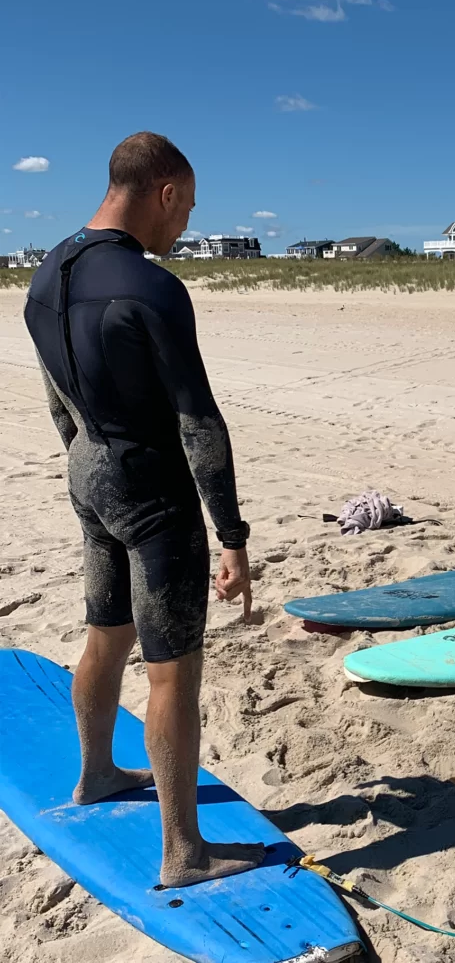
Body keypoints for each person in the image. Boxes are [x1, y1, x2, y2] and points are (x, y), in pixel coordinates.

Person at [23, 132, 263, 888]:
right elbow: (199, 422)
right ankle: (184, 852)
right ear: (162, 193)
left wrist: (86, 457)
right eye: (185, 208)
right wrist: (231, 535)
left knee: (105, 632)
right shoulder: (153, 288)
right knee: (172, 670)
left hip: (88, 470)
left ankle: (96, 774)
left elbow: (56, 397)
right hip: (153, 493)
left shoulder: (46, 273)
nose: (183, 226)